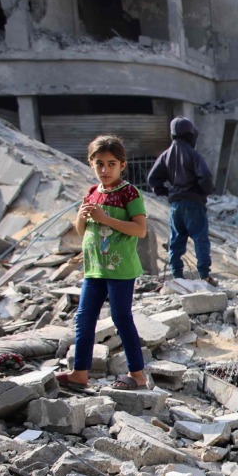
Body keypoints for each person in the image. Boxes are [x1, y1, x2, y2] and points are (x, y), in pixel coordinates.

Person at [57, 135, 148, 393]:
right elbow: (81, 229)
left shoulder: (129, 192)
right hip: (94, 268)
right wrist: (82, 216)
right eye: (99, 164)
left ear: (122, 165)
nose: (105, 170)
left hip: (120, 270)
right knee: (84, 319)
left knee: (121, 318)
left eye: (111, 164)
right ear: (91, 164)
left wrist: (104, 218)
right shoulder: (92, 193)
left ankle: (137, 375)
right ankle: (79, 373)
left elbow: (140, 230)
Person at [148, 117, 216, 284]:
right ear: (190, 135)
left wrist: (165, 191)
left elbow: (152, 178)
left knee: (176, 240)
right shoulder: (194, 155)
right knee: (200, 238)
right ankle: (204, 276)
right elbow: (205, 177)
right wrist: (204, 191)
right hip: (194, 204)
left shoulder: (165, 155)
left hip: (176, 205)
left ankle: (177, 276)